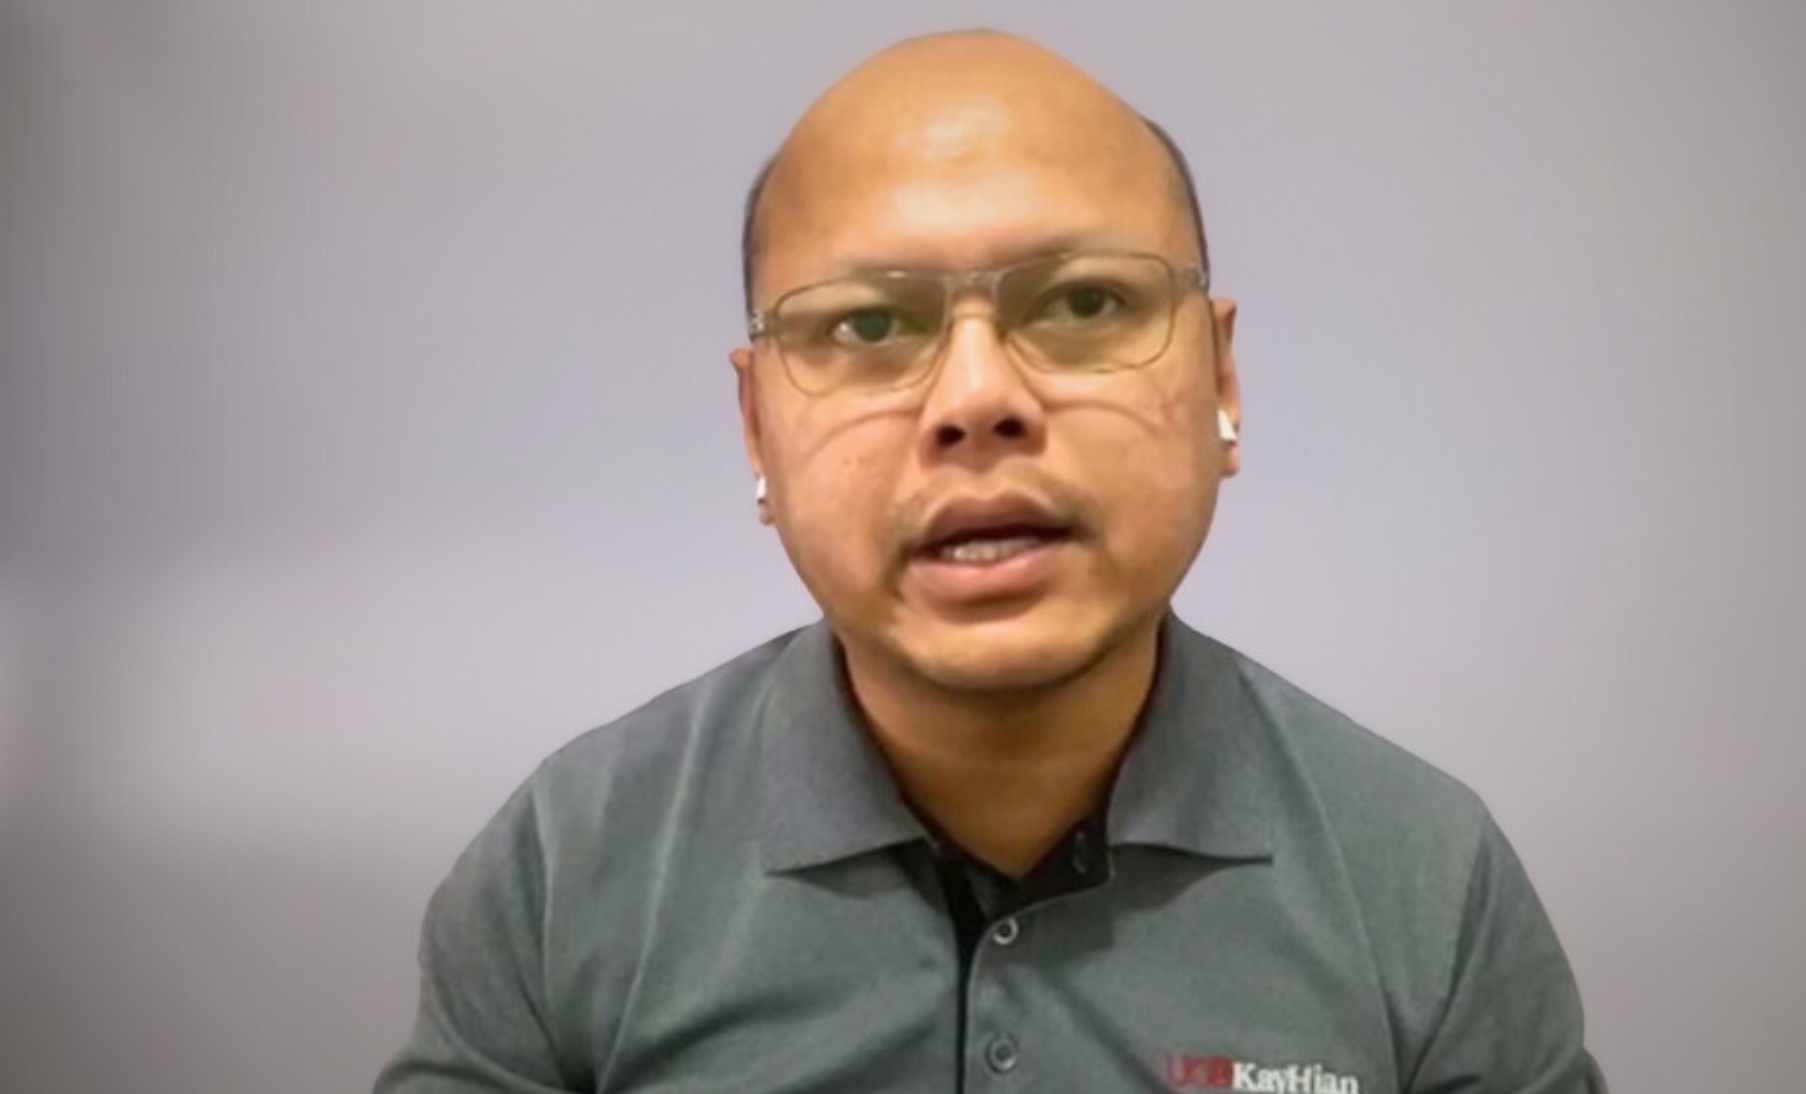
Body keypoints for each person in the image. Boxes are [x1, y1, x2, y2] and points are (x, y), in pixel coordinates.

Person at [375, 29, 1604, 1094]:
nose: (976, 398)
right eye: (868, 323)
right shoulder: (570, 869)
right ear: (756, 430)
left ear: (1221, 381)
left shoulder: (1423, 881)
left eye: (1083, 304)